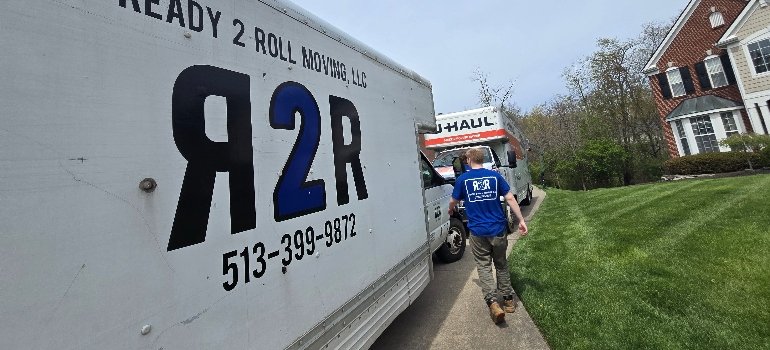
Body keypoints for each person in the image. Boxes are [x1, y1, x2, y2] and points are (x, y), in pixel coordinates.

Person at [448, 147, 529, 324]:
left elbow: (453, 201)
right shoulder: (495, 176)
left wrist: (450, 209)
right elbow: (510, 198)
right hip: (498, 229)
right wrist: (521, 220)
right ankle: (508, 301)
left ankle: (492, 302)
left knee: (484, 266)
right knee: (501, 264)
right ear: (482, 159)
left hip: (477, 232)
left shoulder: (463, 179)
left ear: (469, 160)